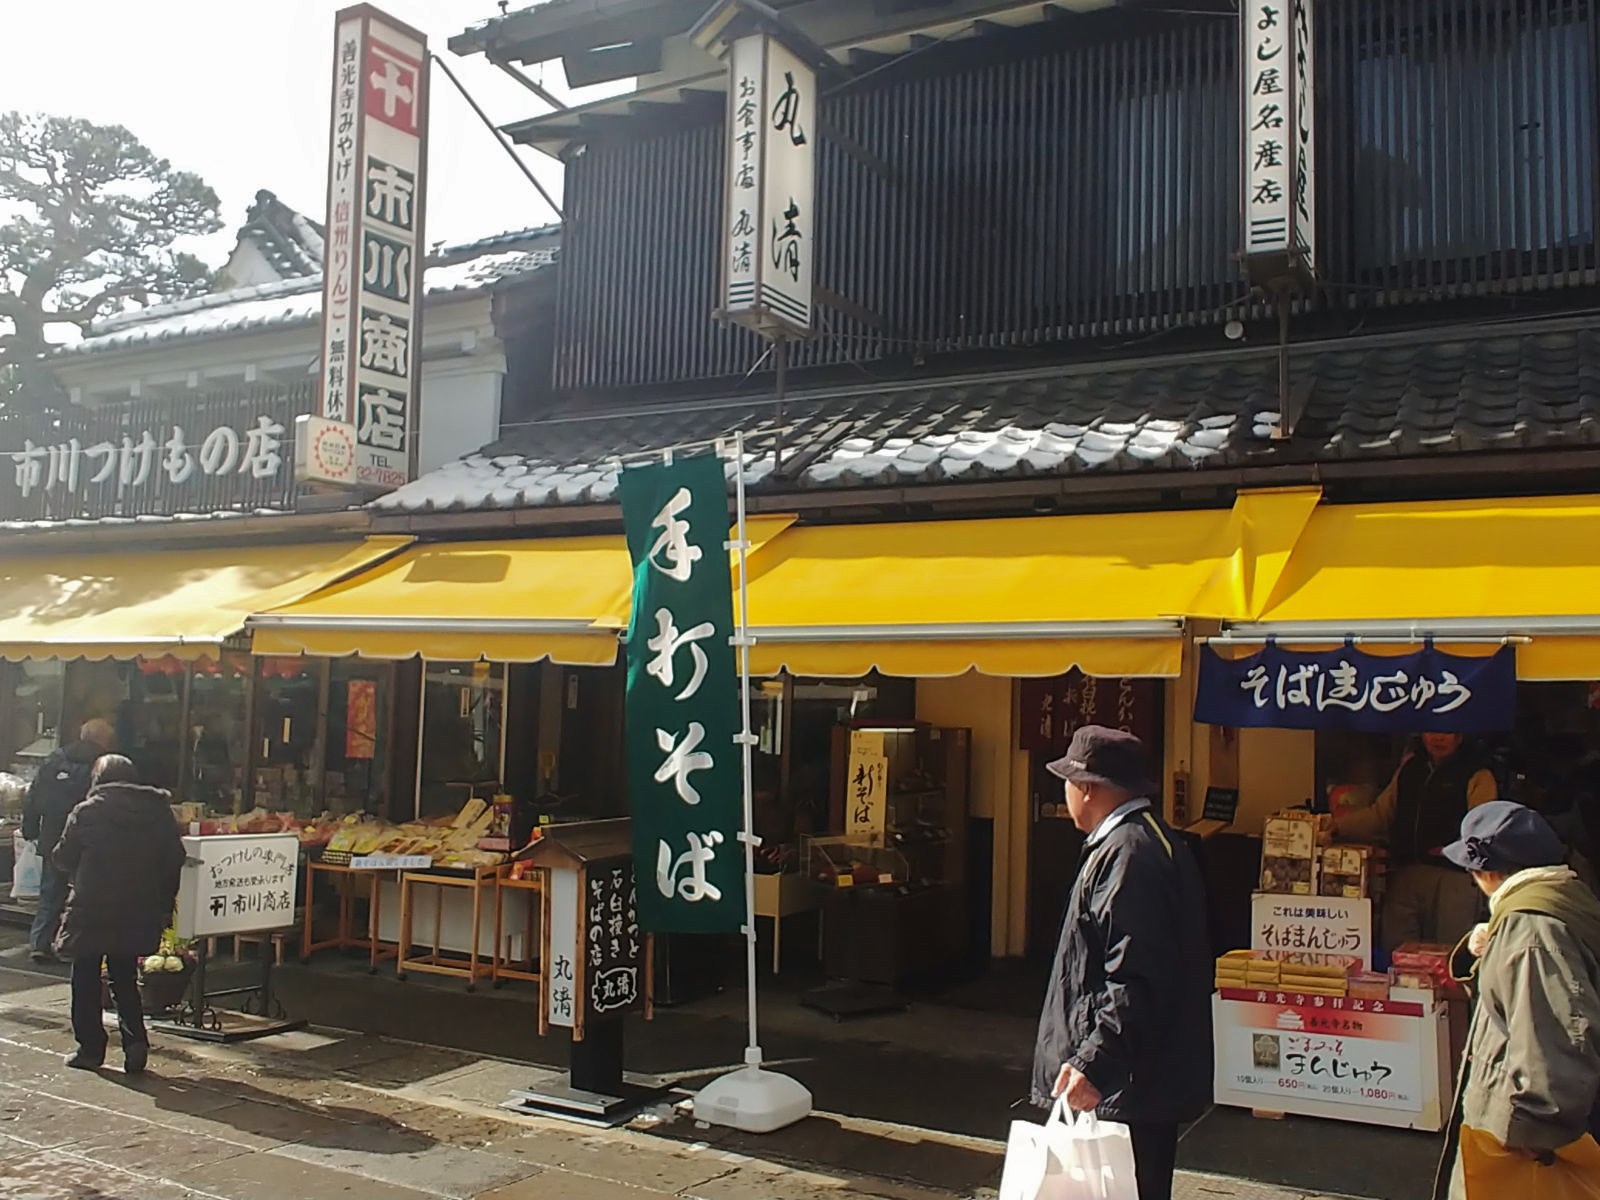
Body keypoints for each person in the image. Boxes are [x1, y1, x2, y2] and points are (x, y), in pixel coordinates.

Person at [1031, 726, 1212, 1200]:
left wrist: (1095, 1064)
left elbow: (1137, 975)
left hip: (1129, 1085)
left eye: (1068, 781)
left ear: (1086, 788)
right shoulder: (1145, 840)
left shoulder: (1129, 853)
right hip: (1139, 1077)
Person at [1434, 801, 1600, 1199]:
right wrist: (1481, 953)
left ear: (1487, 872)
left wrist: (1532, 1134)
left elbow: (1555, 1038)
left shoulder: (1531, 931)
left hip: (1518, 1134)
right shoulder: (1559, 898)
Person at [53, 754, 184, 1074]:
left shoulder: (87, 812)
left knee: (84, 976)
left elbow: (62, 857)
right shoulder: (158, 813)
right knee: (124, 977)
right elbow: (175, 859)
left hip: (91, 907)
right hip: (138, 906)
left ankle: (90, 1047)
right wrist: (163, 903)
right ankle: (135, 1043)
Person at [1339, 732, 1498, 953]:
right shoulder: (1410, 769)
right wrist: (1334, 827)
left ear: (1460, 736)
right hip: (1407, 873)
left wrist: (1454, 850)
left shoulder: (1477, 773)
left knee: (1451, 956)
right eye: (1432, 730)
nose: (1438, 738)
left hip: (1454, 878)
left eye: (1447, 732)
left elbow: (1483, 828)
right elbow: (1380, 815)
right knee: (1399, 953)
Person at [20, 717, 114, 963]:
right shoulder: (104, 765)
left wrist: (30, 828)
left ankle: (40, 943)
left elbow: (33, 796)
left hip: (53, 836)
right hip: (89, 839)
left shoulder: (55, 759)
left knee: (51, 893)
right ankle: (73, 945)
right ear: (103, 739)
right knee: (84, 894)